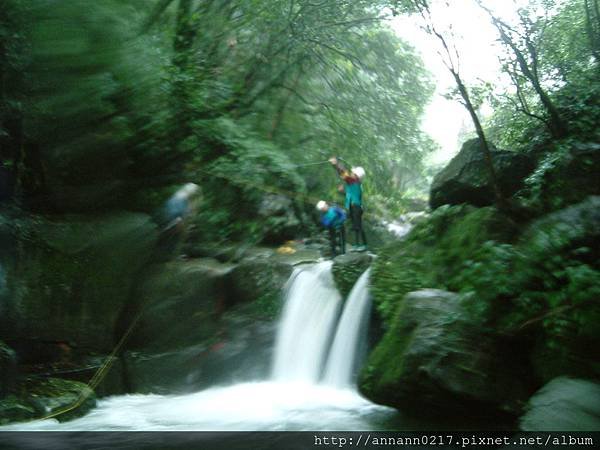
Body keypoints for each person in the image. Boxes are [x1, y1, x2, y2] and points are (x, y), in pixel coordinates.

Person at [328, 157, 367, 251]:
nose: (351, 173)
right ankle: (358, 245)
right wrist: (342, 191)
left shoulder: (354, 181)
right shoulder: (355, 183)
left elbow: (343, 173)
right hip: (354, 206)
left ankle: (363, 245)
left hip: (356, 207)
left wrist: (336, 164)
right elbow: (351, 194)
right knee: (356, 225)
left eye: (353, 173)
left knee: (358, 226)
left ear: (357, 176)